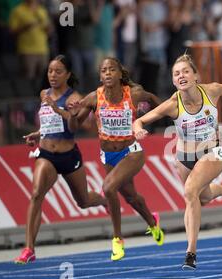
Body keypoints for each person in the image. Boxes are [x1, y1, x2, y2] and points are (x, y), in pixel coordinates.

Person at [133, 54, 222, 270]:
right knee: (202, 197)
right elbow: (140, 120)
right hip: (184, 158)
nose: (181, 76)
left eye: (186, 71)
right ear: (173, 81)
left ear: (195, 76)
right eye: (176, 74)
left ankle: (191, 253)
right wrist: (138, 129)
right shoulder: (171, 104)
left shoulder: (211, 90)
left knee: (189, 192)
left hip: (211, 152)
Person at [68, 57, 164, 261]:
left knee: (109, 188)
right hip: (108, 156)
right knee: (131, 198)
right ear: (100, 76)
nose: (108, 73)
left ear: (120, 73)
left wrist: (156, 118)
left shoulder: (134, 94)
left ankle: (117, 240)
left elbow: (155, 100)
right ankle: (153, 223)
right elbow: (74, 128)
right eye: (104, 71)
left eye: (112, 69)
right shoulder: (94, 97)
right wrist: (72, 115)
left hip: (132, 152)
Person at [14, 55, 108, 264]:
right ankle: (29, 248)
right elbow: (48, 125)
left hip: (69, 155)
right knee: (37, 194)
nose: (52, 75)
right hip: (46, 154)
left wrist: (66, 111)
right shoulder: (43, 94)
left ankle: (103, 199)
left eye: (58, 71)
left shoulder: (75, 97)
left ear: (68, 75)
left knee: (83, 201)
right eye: (50, 71)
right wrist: (36, 135)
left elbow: (79, 128)